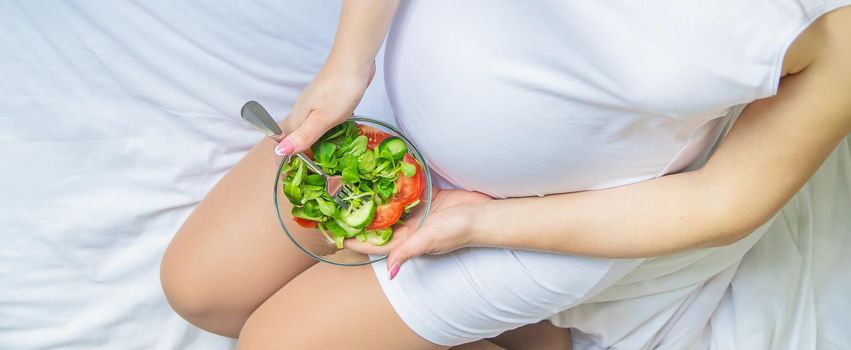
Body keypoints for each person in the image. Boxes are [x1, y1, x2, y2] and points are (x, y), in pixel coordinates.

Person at [160, 1, 851, 349]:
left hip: (538, 226)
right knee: (200, 292)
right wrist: (348, 63)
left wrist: (482, 224)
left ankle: (533, 334)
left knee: (273, 345)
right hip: (385, 110)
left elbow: (725, 199)